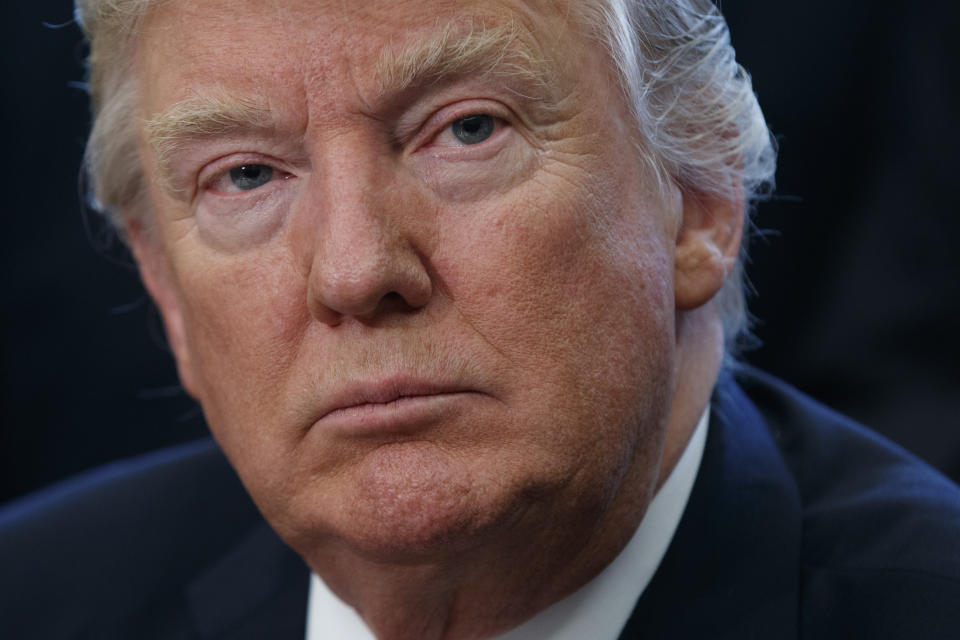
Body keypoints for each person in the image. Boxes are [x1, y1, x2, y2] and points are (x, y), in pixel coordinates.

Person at [1, 0, 958, 638]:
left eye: (467, 129)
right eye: (245, 175)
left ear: (700, 197)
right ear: (164, 287)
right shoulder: (37, 598)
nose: (355, 268)